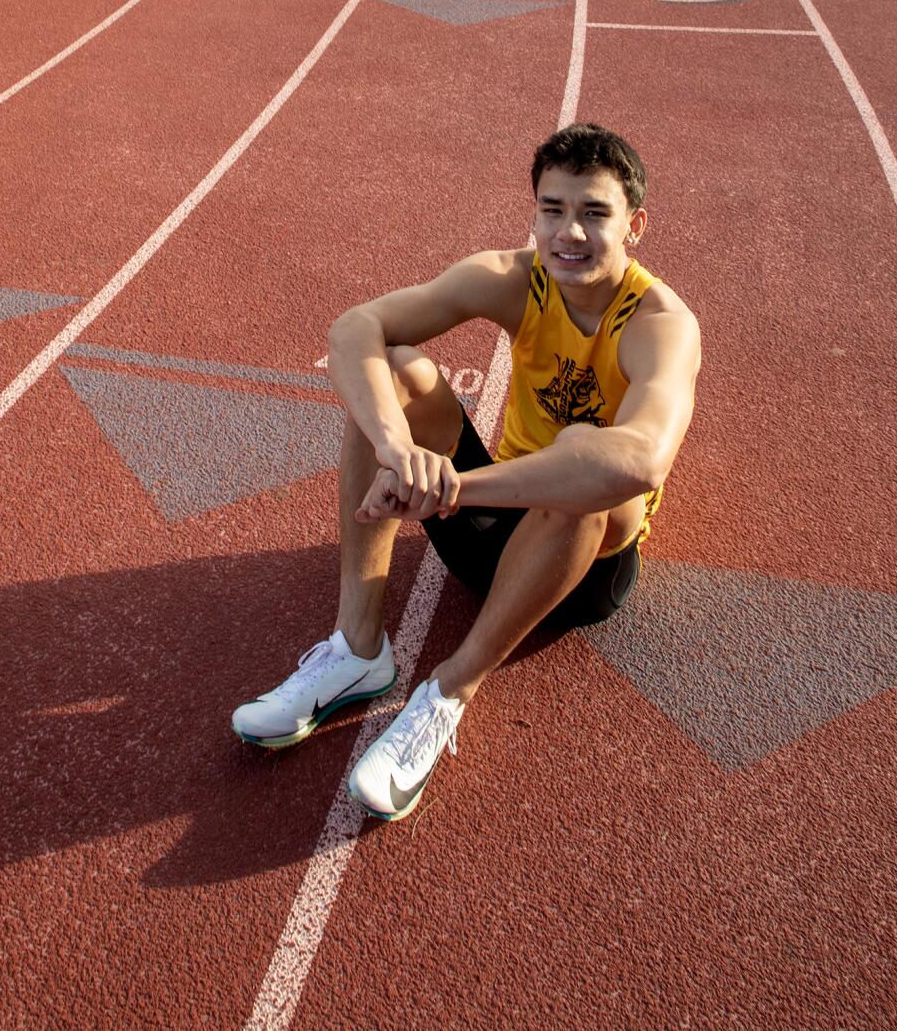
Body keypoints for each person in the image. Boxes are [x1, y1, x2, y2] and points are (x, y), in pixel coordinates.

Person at [232, 123, 701, 820]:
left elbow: (641, 460)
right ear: (535, 212)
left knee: (592, 470)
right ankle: (359, 650)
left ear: (635, 225)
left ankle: (448, 693)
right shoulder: (512, 278)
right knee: (391, 368)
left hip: (577, 566)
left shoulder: (660, 321)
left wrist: (451, 487)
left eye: (594, 214)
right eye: (553, 209)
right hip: (482, 532)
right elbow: (354, 327)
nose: (569, 232)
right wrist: (397, 452)